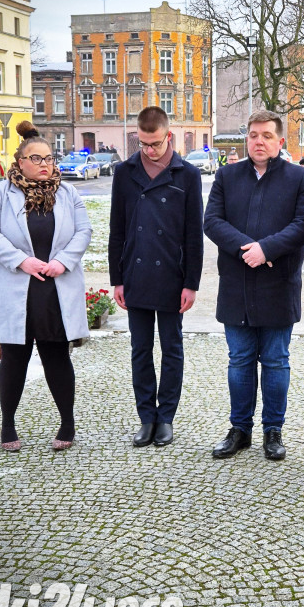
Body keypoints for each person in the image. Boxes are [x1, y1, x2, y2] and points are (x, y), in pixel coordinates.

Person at [204, 110, 304, 462]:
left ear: (280, 141)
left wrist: (267, 249)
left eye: (267, 135)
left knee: (275, 360)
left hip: (278, 284)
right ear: (246, 138)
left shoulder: (300, 178)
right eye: (253, 135)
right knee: (239, 361)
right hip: (236, 284)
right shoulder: (226, 176)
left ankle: (273, 430)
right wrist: (246, 249)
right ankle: (240, 429)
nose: (259, 141)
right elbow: (212, 221)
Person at [0, 121, 92, 451]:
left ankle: (67, 423)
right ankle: (7, 425)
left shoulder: (68, 192)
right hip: (15, 285)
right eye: (37, 158)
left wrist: (63, 261)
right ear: (20, 162)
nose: (45, 164)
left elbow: (83, 232)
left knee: (57, 356)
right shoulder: (1, 193)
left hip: (55, 287)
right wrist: (22, 261)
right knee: (15, 357)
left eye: (49, 158)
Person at [109, 106, 203, 448]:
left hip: (172, 276)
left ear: (169, 137)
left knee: (172, 350)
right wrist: (117, 278)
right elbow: (116, 230)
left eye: (155, 144)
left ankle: (166, 418)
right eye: (143, 143)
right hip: (135, 274)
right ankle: (146, 417)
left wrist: (191, 283)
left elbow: (194, 234)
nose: (149, 150)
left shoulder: (187, 174)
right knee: (140, 350)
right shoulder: (125, 172)